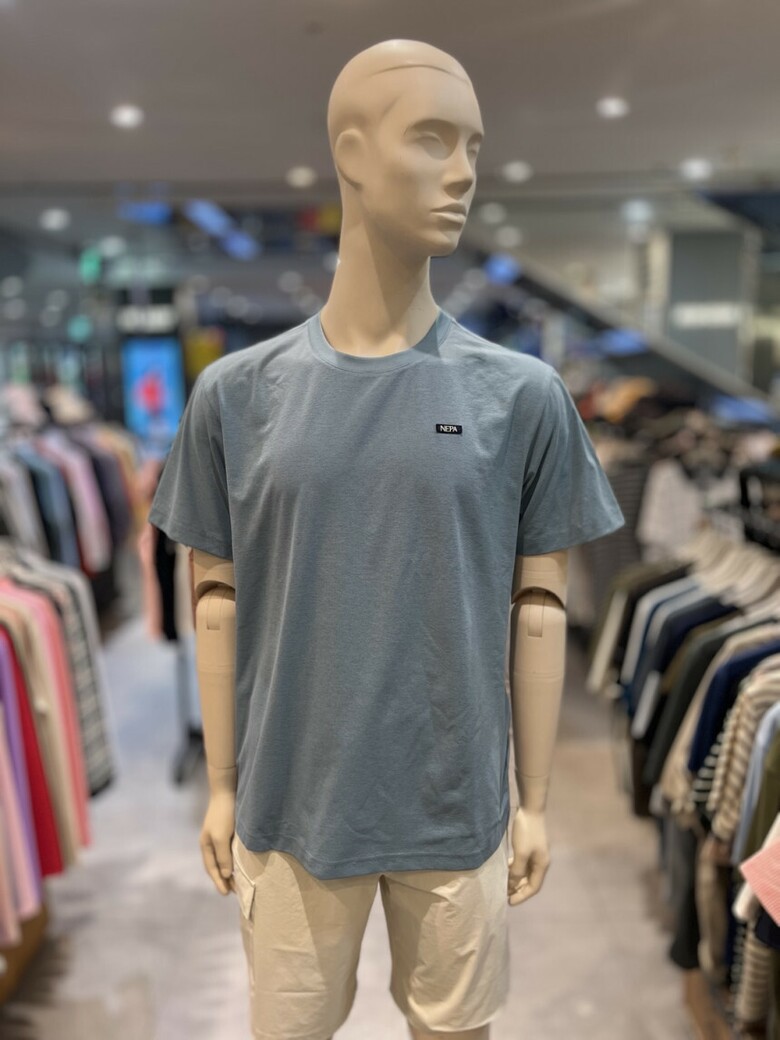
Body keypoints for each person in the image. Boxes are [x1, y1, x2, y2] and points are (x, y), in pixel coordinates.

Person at [149, 37, 624, 1040]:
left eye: (474, 148)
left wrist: (534, 800)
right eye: (433, 139)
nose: (463, 173)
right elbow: (215, 599)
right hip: (289, 803)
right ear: (353, 153)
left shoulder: (523, 395)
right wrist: (223, 787)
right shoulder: (235, 395)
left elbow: (540, 607)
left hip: (456, 807)